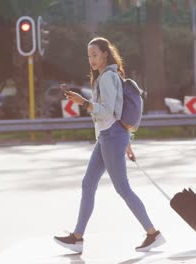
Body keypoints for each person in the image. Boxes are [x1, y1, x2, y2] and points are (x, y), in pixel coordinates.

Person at [53, 37, 166, 253]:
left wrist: (83, 102)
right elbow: (116, 113)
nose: (92, 60)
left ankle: (153, 233)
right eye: (89, 56)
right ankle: (77, 237)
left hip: (111, 136)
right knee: (88, 184)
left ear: (106, 53)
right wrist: (127, 144)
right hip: (109, 136)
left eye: (95, 55)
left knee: (122, 188)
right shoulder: (108, 76)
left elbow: (107, 111)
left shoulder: (106, 78)